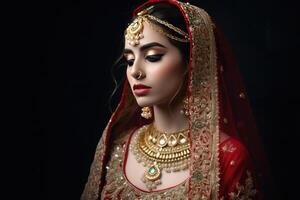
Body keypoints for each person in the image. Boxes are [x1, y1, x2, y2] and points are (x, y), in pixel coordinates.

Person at [81, 0, 270, 199]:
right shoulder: (117, 146)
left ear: (192, 62)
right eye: (129, 60)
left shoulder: (227, 157)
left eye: (153, 57)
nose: (135, 71)